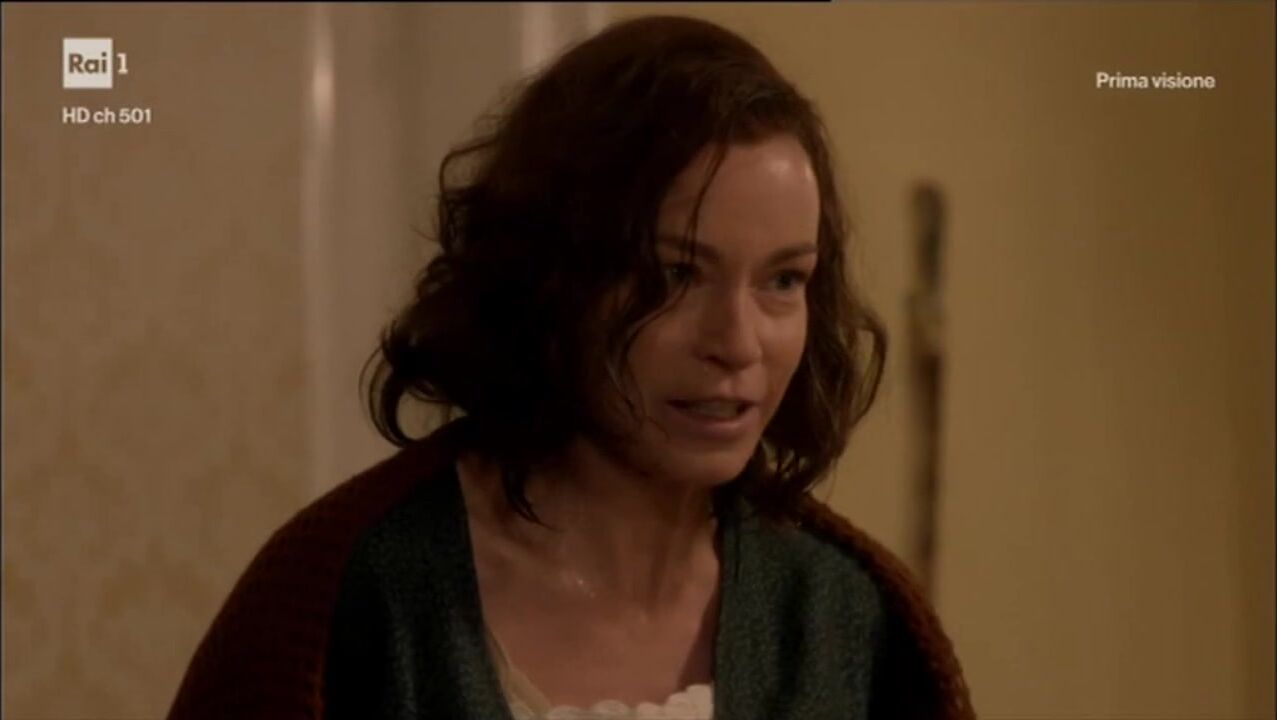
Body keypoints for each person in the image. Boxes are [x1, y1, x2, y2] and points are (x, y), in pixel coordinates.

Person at [168, 15, 973, 720]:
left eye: (783, 280)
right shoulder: (354, 594)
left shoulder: (844, 613)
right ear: (553, 279)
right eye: (675, 275)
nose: (737, 342)